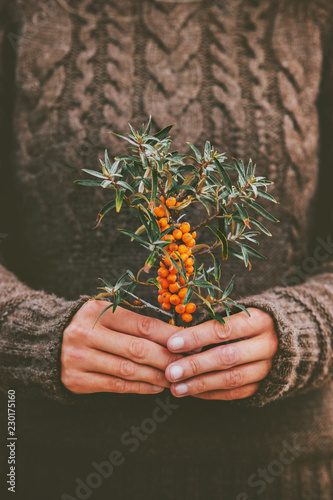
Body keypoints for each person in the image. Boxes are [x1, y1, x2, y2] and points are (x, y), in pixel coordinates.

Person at [0, 0, 332, 499]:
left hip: (286, 473)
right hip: (46, 470)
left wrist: (305, 330)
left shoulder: (310, 13)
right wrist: (28, 333)